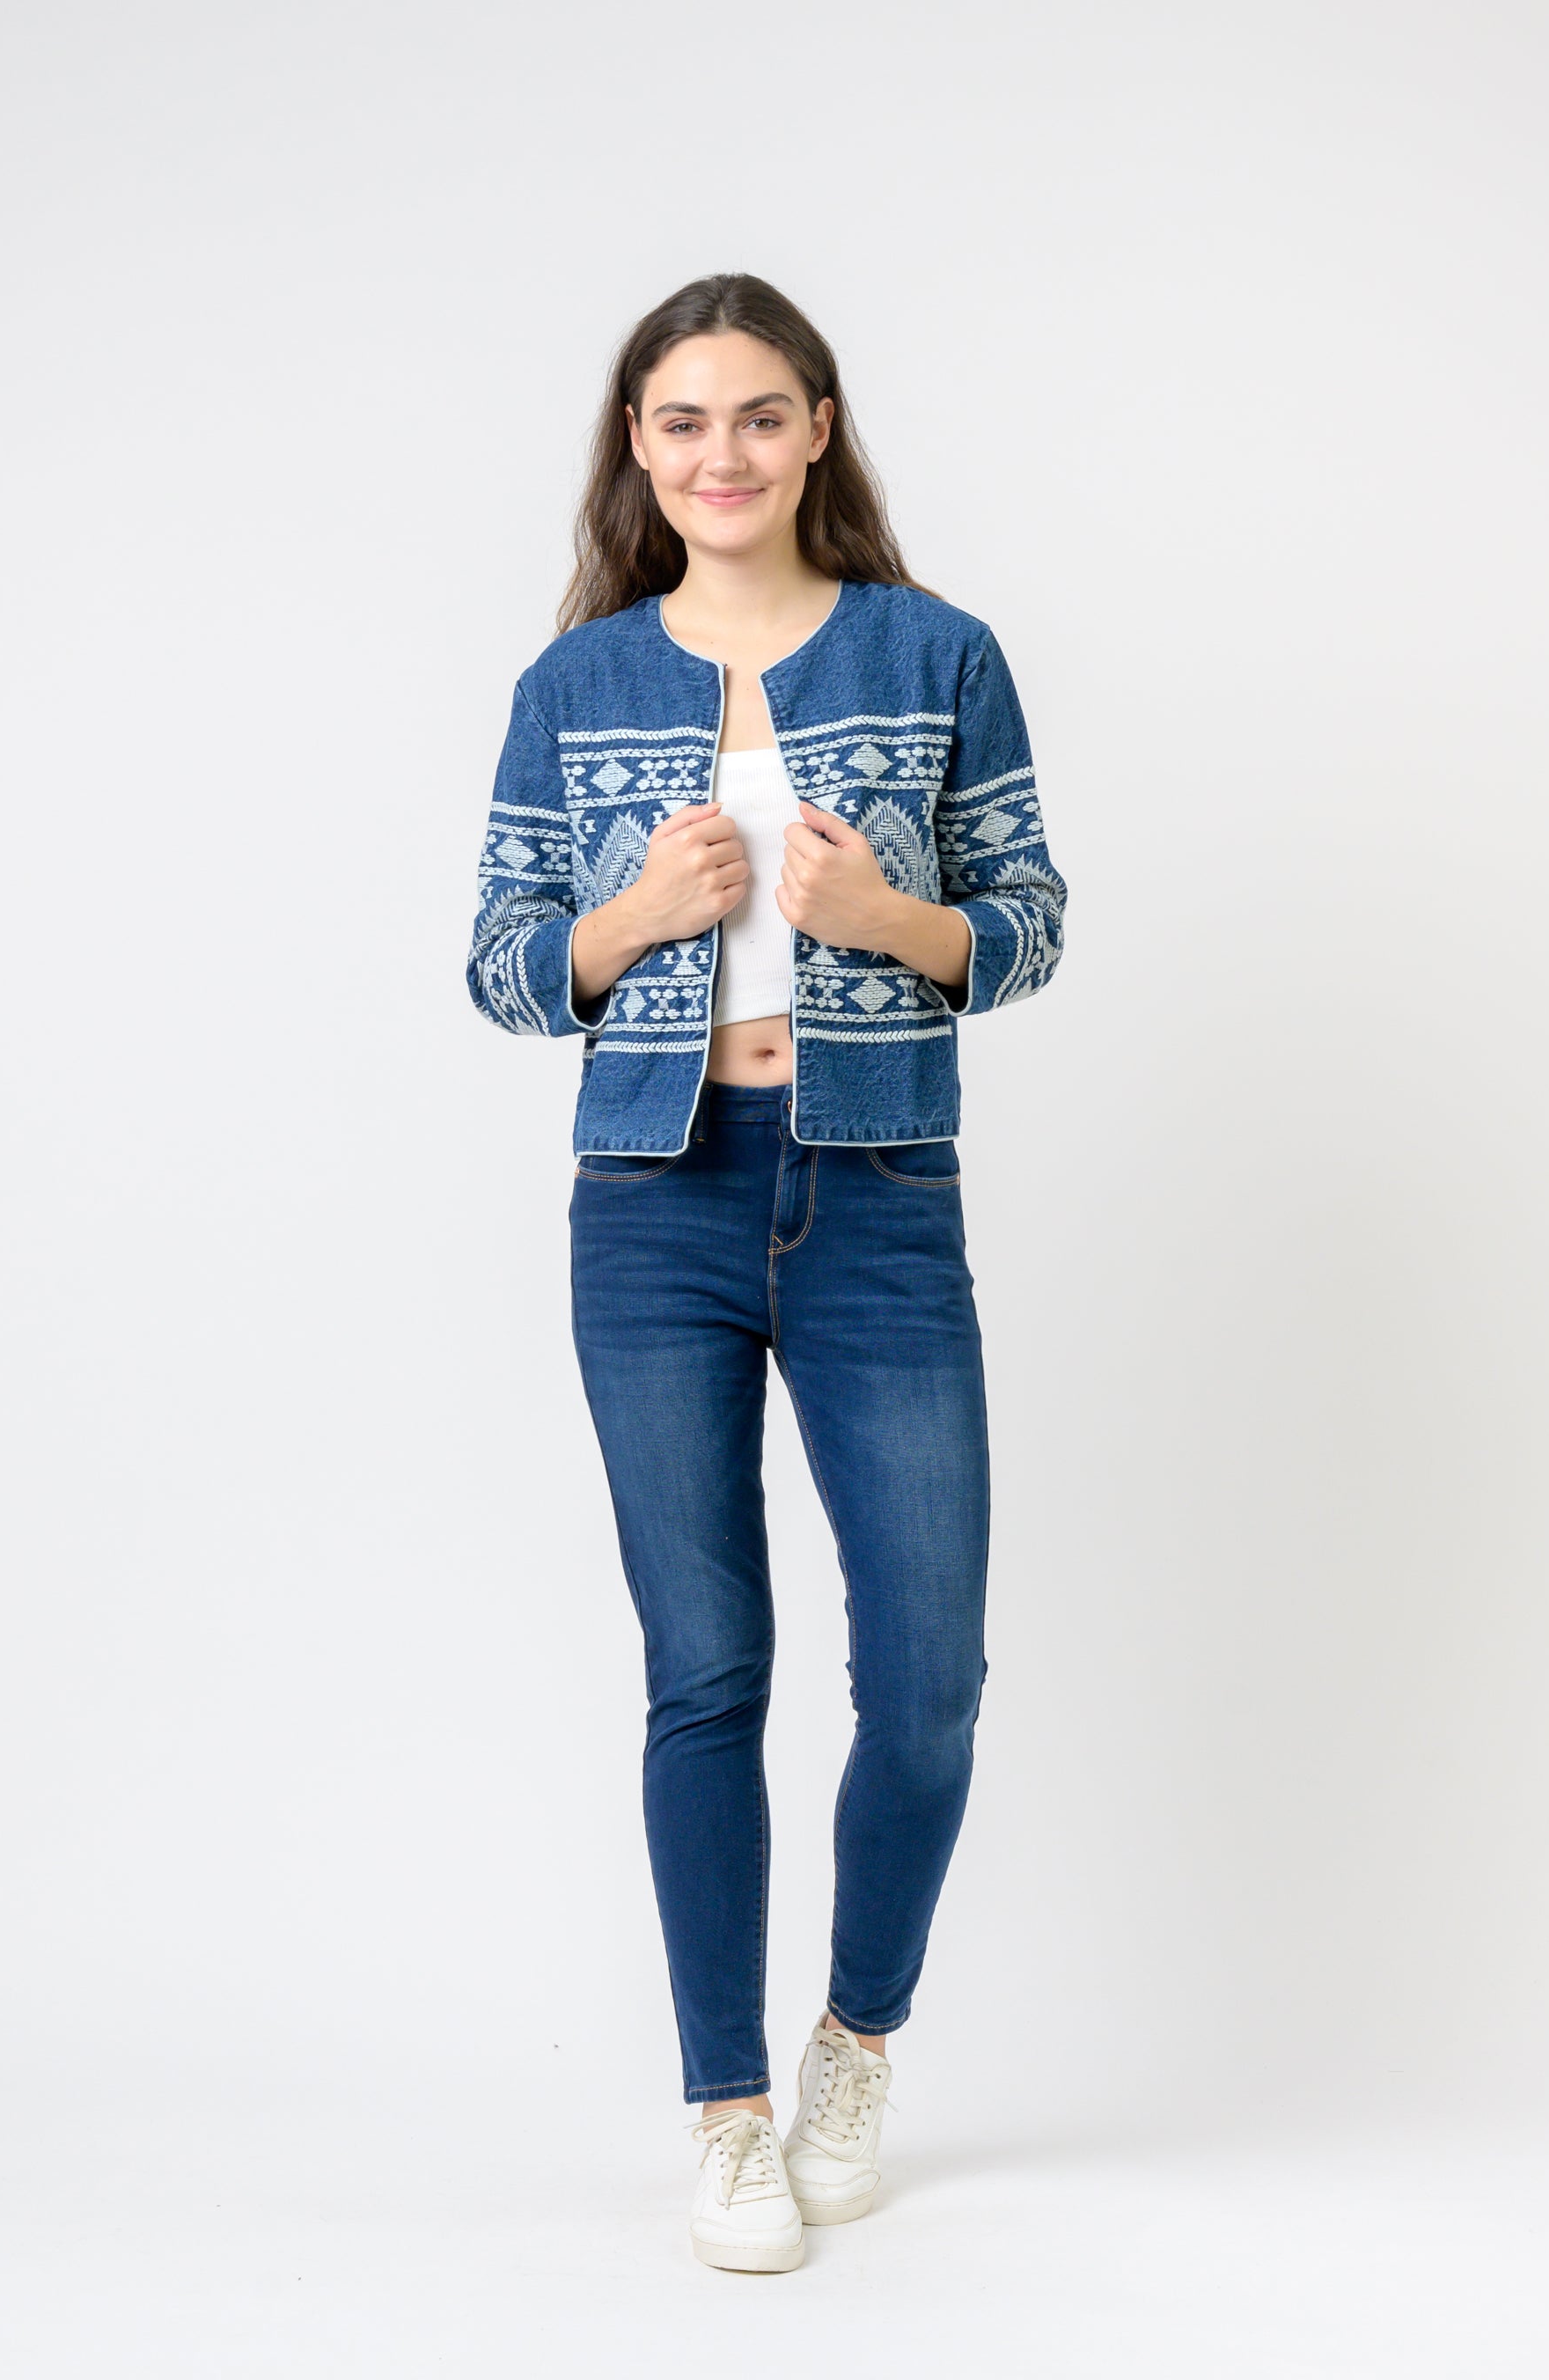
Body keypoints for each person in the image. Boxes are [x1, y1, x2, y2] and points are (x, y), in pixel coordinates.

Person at [465, 273, 1068, 2272]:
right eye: (679, 421)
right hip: (657, 1208)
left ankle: (852, 2047)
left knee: (929, 1680)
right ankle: (727, 2110)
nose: (717, 454)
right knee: (706, 1665)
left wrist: (888, 915)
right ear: (637, 451)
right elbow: (501, 965)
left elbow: (1032, 917)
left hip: (879, 1194)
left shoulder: (935, 649)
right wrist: (634, 914)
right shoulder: (575, 684)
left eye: (755, 415)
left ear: (818, 427)